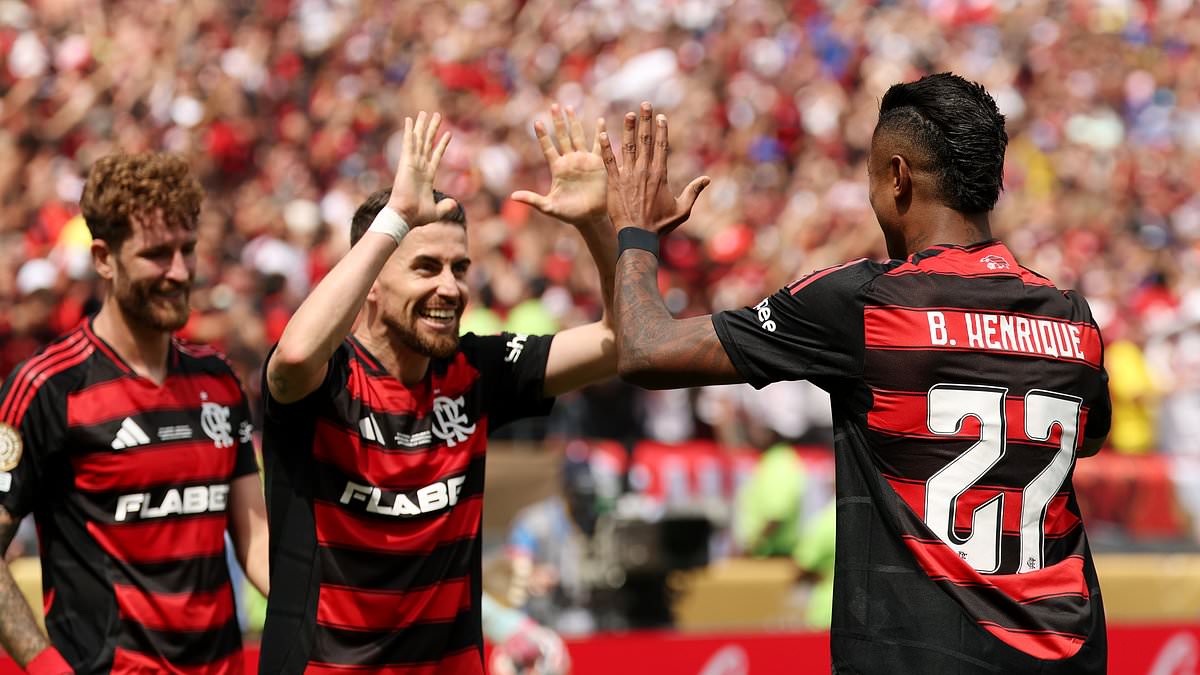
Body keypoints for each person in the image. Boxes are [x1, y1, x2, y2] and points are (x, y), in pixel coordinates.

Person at [605, 75, 1112, 674]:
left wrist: (635, 234)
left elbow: (643, 350)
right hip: (1068, 651)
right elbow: (1086, 438)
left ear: (897, 177)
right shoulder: (1072, 318)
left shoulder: (865, 303)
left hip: (924, 658)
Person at [259, 106, 675, 672]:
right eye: (425, 267)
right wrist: (396, 218)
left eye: (459, 268)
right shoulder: (325, 379)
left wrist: (596, 225)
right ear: (371, 280)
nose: (450, 288)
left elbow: (620, 339)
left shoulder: (475, 370)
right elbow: (294, 356)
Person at [0, 153, 269, 674]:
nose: (179, 271)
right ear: (104, 258)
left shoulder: (218, 380)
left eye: (187, 249)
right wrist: (46, 667)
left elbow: (256, 540)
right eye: (156, 254)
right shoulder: (46, 388)